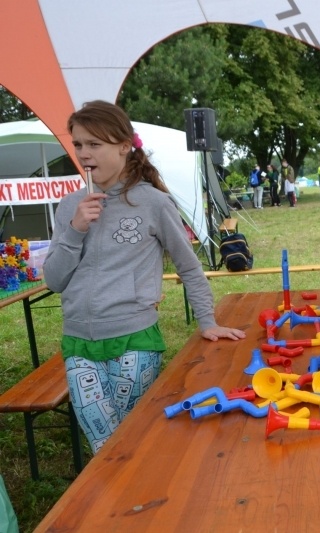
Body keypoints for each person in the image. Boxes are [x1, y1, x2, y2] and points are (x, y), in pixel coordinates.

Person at [44, 100, 246, 453]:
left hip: (134, 341)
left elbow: (189, 266)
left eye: (95, 144)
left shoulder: (152, 202)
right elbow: (53, 280)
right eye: (78, 144)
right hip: (78, 344)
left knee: (131, 443)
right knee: (104, 447)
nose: (84, 153)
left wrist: (207, 321)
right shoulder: (69, 207)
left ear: (124, 146)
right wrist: (75, 229)